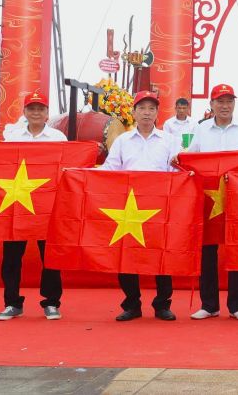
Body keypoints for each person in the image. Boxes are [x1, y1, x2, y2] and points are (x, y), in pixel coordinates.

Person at [183, 83, 238, 322]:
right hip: (209, 197)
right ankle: (209, 304)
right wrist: (179, 160)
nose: (225, 106)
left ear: (234, 104)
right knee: (208, 249)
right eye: (220, 101)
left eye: (229, 101)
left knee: (237, 247)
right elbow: (191, 158)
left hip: (237, 197)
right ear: (212, 104)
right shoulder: (201, 129)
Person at [100, 91, 178, 322]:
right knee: (126, 254)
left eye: (151, 108)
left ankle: (162, 304)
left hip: (160, 205)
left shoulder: (169, 140)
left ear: (157, 113)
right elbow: (110, 169)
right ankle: (132, 304)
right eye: (142, 108)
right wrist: (81, 174)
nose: (146, 113)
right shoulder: (122, 141)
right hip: (128, 206)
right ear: (134, 112)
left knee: (161, 254)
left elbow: (176, 172)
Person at [0, 90, 67, 321]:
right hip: (16, 205)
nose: (36, 112)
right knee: (11, 257)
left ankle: (51, 302)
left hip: (47, 207)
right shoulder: (13, 137)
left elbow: (67, 169)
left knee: (50, 256)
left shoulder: (58, 137)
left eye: (41, 109)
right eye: (32, 108)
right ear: (25, 112)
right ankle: (12, 303)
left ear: (47, 113)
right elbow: (0, 164)